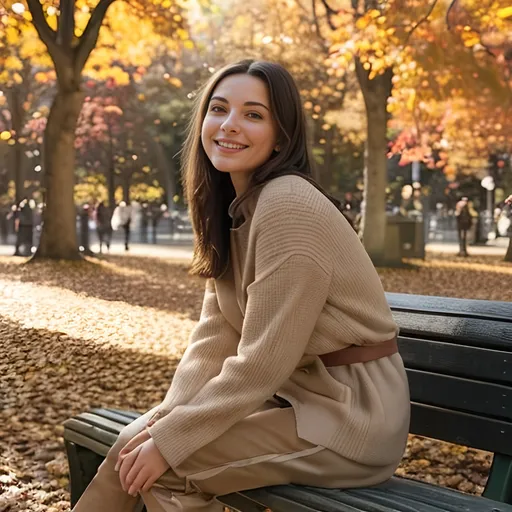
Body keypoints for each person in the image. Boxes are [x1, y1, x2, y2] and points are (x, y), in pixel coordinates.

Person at [72, 60, 410, 512]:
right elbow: (215, 337)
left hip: (349, 416)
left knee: (167, 468)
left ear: (281, 135)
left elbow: (264, 359)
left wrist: (173, 440)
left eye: (253, 114)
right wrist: (167, 419)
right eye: (219, 109)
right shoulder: (235, 209)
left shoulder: (288, 204)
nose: (229, 125)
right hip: (296, 403)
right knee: (133, 447)